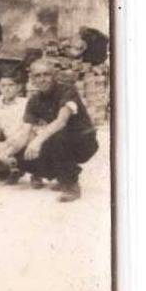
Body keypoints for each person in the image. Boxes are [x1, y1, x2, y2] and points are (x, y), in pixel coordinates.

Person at [13, 58, 98, 202]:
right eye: (37, 76)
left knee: (55, 136)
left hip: (84, 141)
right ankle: (56, 174)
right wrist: (7, 153)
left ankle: (71, 185)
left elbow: (61, 121)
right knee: (23, 152)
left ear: (54, 76)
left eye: (46, 74)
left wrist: (37, 141)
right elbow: (25, 132)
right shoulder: (34, 100)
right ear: (32, 79)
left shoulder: (67, 90)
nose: (42, 79)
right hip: (61, 139)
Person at [0, 69, 29, 183]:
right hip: (6, 146)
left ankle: (15, 165)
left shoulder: (26, 104)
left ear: (19, 87)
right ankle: (11, 167)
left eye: (11, 85)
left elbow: (25, 130)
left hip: (24, 141)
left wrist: (6, 148)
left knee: (5, 155)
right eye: (3, 85)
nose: (7, 89)